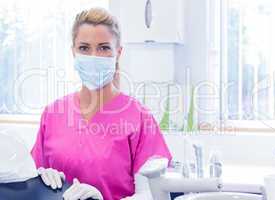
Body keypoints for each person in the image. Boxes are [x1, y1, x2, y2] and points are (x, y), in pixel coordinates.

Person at [31, 7, 172, 200]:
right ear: (73, 52)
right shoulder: (53, 114)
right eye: (84, 48)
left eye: (104, 47)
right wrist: (38, 179)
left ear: (118, 53)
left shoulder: (139, 118)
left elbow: (151, 194)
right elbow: (31, 177)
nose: (94, 56)